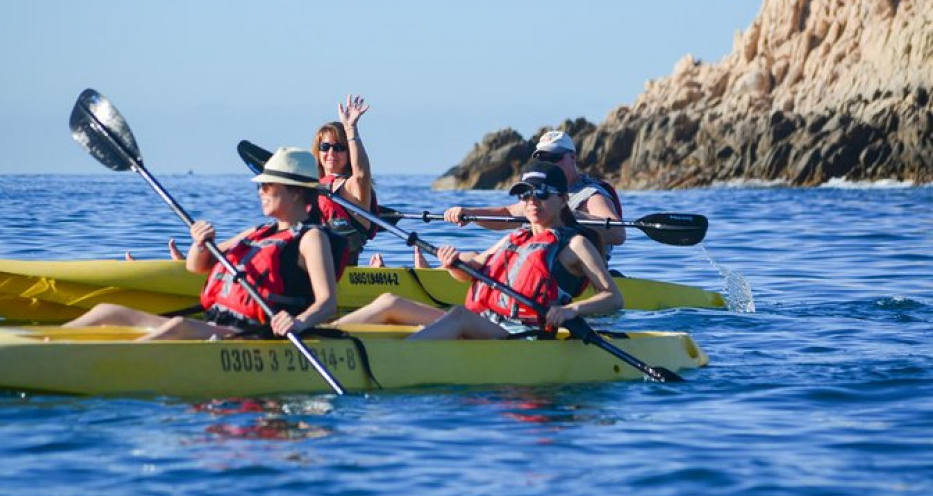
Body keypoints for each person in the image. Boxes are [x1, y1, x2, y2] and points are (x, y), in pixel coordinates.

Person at [64, 148, 339, 341]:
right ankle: (37, 342)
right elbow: (196, 266)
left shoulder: (311, 238)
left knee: (180, 326)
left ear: (294, 192)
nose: (260, 192)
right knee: (107, 311)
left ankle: (110, 364)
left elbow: (327, 302)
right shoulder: (257, 232)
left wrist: (298, 322)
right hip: (218, 324)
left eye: (266, 186)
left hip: (255, 335)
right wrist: (200, 244)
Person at [335, 161, 623, 340]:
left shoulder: (576, 244)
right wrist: (454, 264)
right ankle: (321, 336)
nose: (531, 201)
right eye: (525, 194)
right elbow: (475, 270)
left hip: (521, 335)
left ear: (562, 200)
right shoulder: (517, 237)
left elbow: (613, 298)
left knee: (458, 316)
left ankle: (397, 360)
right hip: (486, 323)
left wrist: (571, 310)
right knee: (389, 302)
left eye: (541, 194)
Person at [443, 130, 626, 263]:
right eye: (542, 159)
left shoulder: (591, 195)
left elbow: (618, 234)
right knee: (469, 257)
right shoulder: (538, 192)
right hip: (536, 260)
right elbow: (508, 213)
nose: (548, 164)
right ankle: (434, 273)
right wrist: (469, 213)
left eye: (555, 158)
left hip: (575, 271)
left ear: (573, 158)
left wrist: (570, 216)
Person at [311, 95, 381, 266]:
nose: (331, 153)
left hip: (341, 272)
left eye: (339, 148)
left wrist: (351, 129)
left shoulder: (352, 187)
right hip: (309, 269)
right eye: (325, 147)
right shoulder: (311, 187)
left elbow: (362, 174)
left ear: (349, 153)